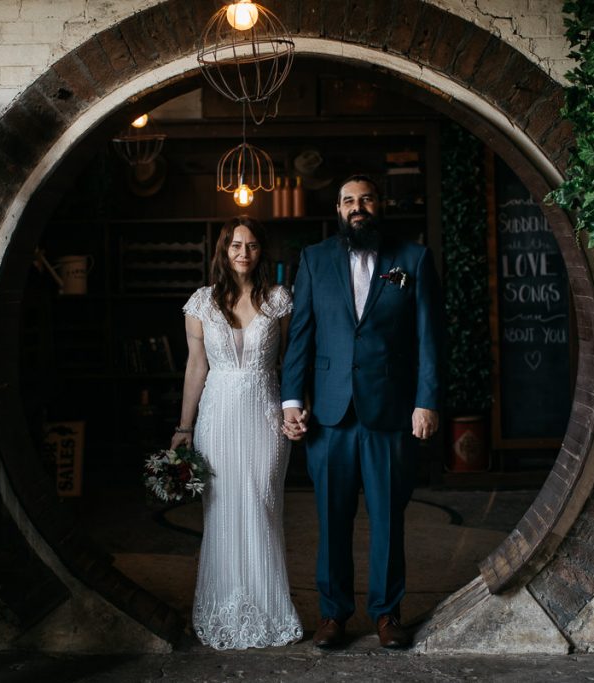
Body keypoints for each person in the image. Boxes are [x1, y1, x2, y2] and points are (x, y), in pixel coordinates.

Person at [280, 174, 441, 649]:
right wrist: (292, 401)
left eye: (365, 199)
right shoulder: (313, 259)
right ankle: (333, 615)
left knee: (388, 518)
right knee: (331, 519)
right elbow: (301, 337)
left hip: (389, 413)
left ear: (379, 204)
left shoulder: (412, 259)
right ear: (338, 208)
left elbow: (429, 337)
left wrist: (426, 400)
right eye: (349, 200)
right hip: (328, 416)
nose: (358, 207)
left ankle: (387, 614)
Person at [171, 215, 303, 650]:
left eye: (251, 246)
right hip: (217, 415)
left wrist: (294, 408)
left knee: (263, 502)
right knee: (223, 510)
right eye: (235, 246)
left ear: (261, 252)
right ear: (223, 252)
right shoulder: (201, 303)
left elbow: (291, 361)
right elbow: (195, 368)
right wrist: (184, 427)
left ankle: (268, 610)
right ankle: (224, 605)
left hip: (265, 413)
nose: (243, 253)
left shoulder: (280, 300)